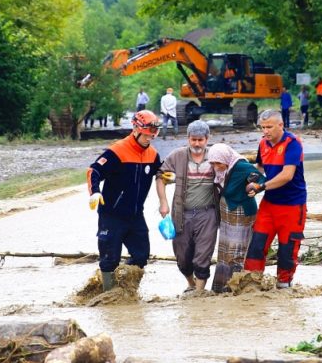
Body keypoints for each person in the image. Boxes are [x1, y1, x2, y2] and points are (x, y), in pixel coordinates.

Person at [87, 110, 163, 292]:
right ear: (136, 129)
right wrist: (95, 192)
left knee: (141, 255)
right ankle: (107, 296)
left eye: (152, 135)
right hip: (111, 214)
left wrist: (167, 175)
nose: (149, 139)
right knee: (109, 259)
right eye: (146, 135)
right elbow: (94, 171)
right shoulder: (117, 151)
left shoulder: (152, 155)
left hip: (136, 215)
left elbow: (161, 172)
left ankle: (126, 292)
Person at [244, 110, 307, 289]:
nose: (266, 131)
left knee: (287, 251)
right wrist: (250, 180)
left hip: (293, 205)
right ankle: (251, 285)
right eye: (263, 127)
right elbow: (260, 169)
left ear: (281, 125)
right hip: (269, 205)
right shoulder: (263, 143)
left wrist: (261, 187)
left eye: (269, 127)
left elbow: (287, 175)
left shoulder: (292, 143)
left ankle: (284, 286)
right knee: (256, 245)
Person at [156, 121, 219, 293]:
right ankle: (191, 284)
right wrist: (163, 202)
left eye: (200, 140)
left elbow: (233, 168)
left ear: (207, 139)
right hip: (181, 214)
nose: (197, 144)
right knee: (183, 257)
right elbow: (160, 177)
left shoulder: (215, 155)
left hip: (208, 214)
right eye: (193, 140)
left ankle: (199, 293)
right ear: (188, 139)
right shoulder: (178, 156)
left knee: (203, 255)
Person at [206, 143, 265, 293]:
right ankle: (221, 287)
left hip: (241, 211)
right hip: (227, 210)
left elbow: (262, 179)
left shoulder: (240, 166)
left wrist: (255, 188)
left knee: (237, 251)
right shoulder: (222, 169)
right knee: (225, 251)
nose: (216, 166)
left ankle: (235, 288)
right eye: (212, 163)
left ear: (226, 159)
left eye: (218, 163)